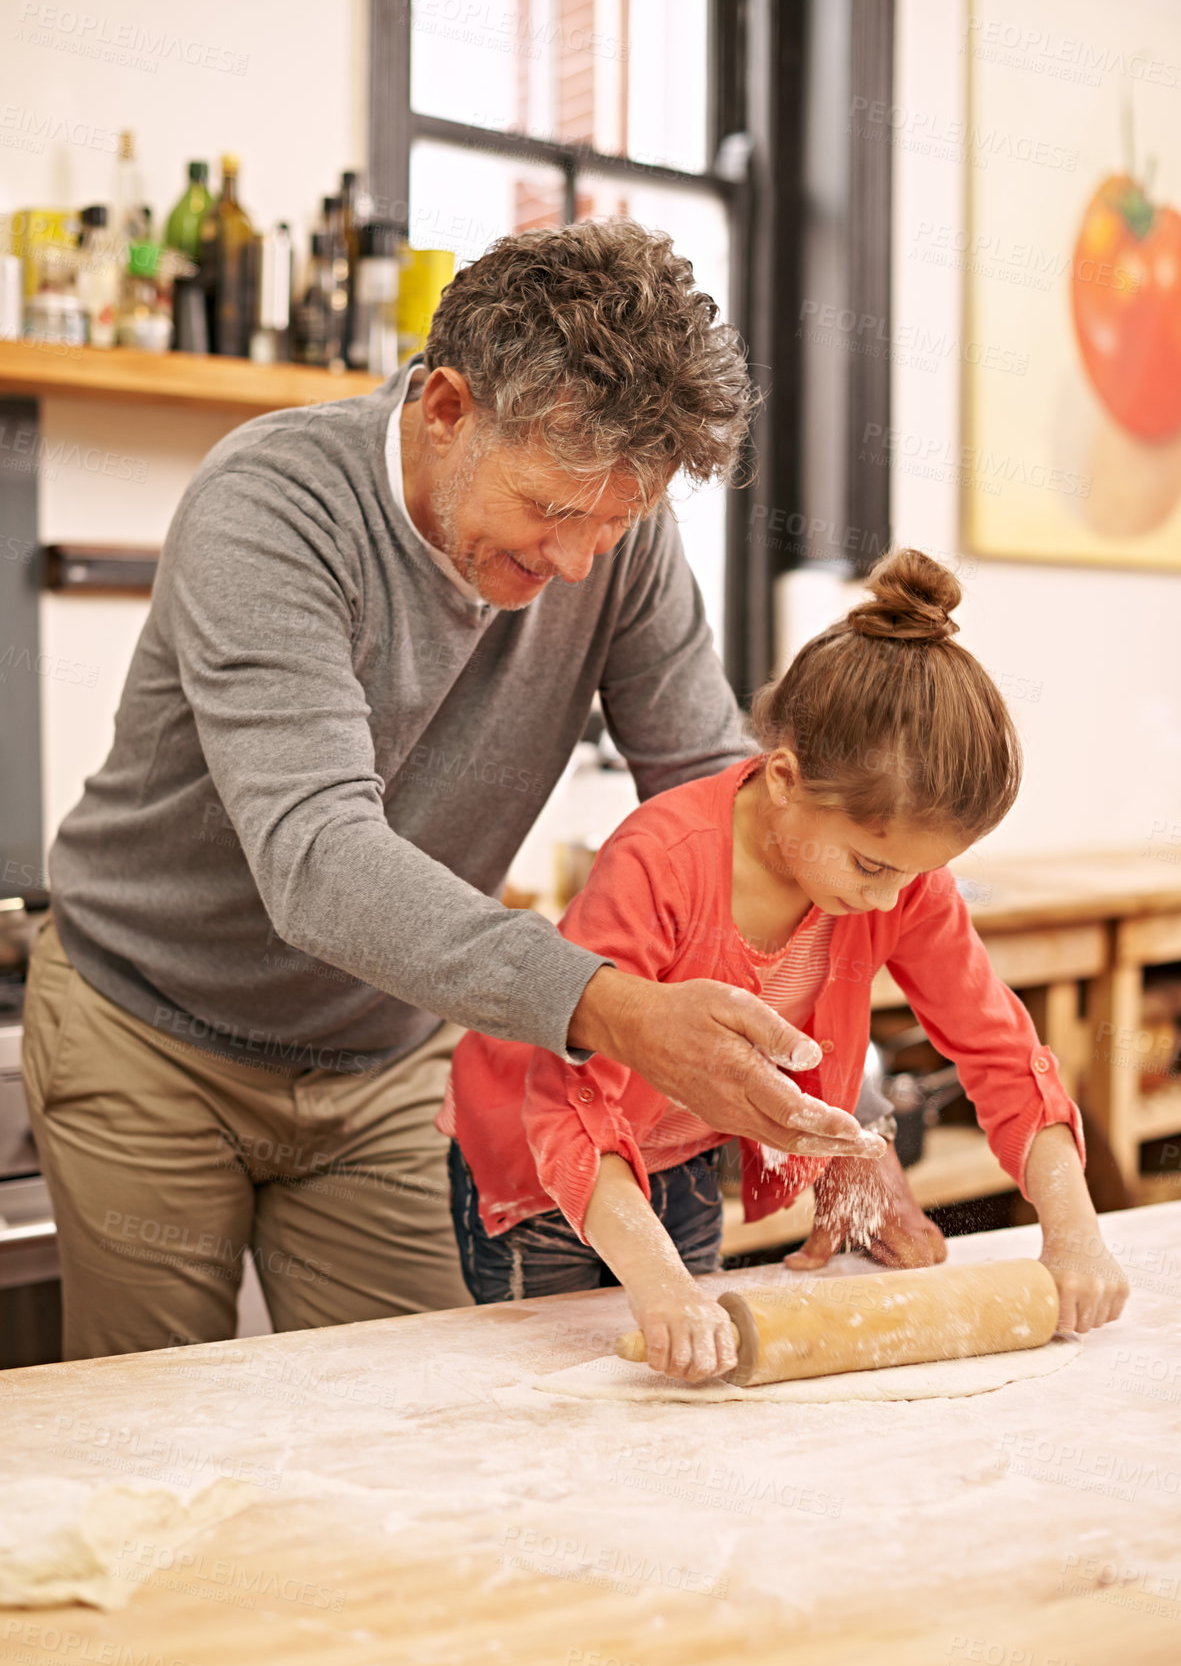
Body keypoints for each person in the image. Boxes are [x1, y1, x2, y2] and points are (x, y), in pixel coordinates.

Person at [24, 218, 912, 1361]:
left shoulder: (609, 534)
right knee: (160, 1431)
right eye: (551, 510)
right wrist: (613, 1007)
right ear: (446, 408)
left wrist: (826, 1089)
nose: (579, 562)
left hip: (382, 1054)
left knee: (409, 1422)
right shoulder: (274, 505)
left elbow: (709, 802)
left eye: (615, 522)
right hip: (147, 1028)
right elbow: (319, 859)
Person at [444, 549, 1131, 1381]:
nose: (890, 903)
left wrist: (1073, 1232)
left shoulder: (896, 882)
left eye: (914, 874)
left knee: (679, 1379)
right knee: (561, 1390)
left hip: (677, 1155)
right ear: (782, 779)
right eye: (872, 867)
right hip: (537, 1163)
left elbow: (999, 1052)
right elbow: (568, 1101)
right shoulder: (662, 860)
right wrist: (662, 1286)